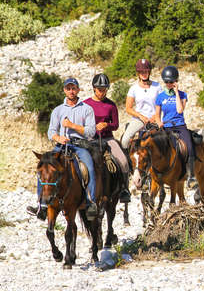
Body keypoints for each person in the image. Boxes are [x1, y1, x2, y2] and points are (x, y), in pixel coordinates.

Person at [27, 77, 98, 220]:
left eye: (73, 88)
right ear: (64, 90)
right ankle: (42, 205)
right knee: (43, 168)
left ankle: (91, 202)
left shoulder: (87, 109)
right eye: (68, 88)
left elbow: (91, 132)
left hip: (79, 145)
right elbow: (51, 131)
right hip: (61, 145)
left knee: (89, 167)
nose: (71, 91)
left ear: (78, 90)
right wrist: (58, 138)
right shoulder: (58, 110)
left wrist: (72, 126)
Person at [83, 73, 131, 203]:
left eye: (104, 90)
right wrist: (92, 127)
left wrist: (106, 125)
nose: (102, 93)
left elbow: (115, 125)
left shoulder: (111, 105)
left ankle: (124, 189)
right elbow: (81, 124)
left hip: (108, 139)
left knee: (123, 161)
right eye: (99, 90)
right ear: (94, 88)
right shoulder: (85, 105)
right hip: (90, 140)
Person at [154, 65, 196, 187]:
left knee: (189, 145)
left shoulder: (183, 95)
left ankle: (191, 176)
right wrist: (159, 122)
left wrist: (176, 93)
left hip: (179, 125)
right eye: (167, 82)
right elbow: (157, 115)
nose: (169, 84)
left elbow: (179, 110)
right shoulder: (160, 97)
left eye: (171, 82)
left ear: (176, 81)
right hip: (166, 126)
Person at [120, 59, 161, 150]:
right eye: (141, 71)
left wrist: (155, 117)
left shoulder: (157, 86)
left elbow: (162, 104)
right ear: (138, 73)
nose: (144, 73)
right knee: (124, 140)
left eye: (146, 71)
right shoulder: (133, 88)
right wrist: (141, 117)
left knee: (165, 140)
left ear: (149, 72)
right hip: (139, 119)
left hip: (155, 118)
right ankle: (128, 162)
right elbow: (128, 108)